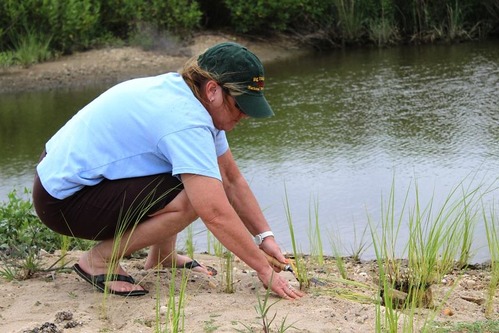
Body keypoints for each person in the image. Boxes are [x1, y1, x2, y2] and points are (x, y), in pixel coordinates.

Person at [32, 42, 304, 300]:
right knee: (193, 197)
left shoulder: (192, 99)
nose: (245, 116)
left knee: (194, 176)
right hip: (63, 200)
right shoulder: (186, 121)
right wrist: (263, 269)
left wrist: (265, 238)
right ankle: (99, 260)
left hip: (66, 180)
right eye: (241, 106)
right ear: (213, 90)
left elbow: (231, 179)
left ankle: (163, 256)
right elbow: (215, 212)